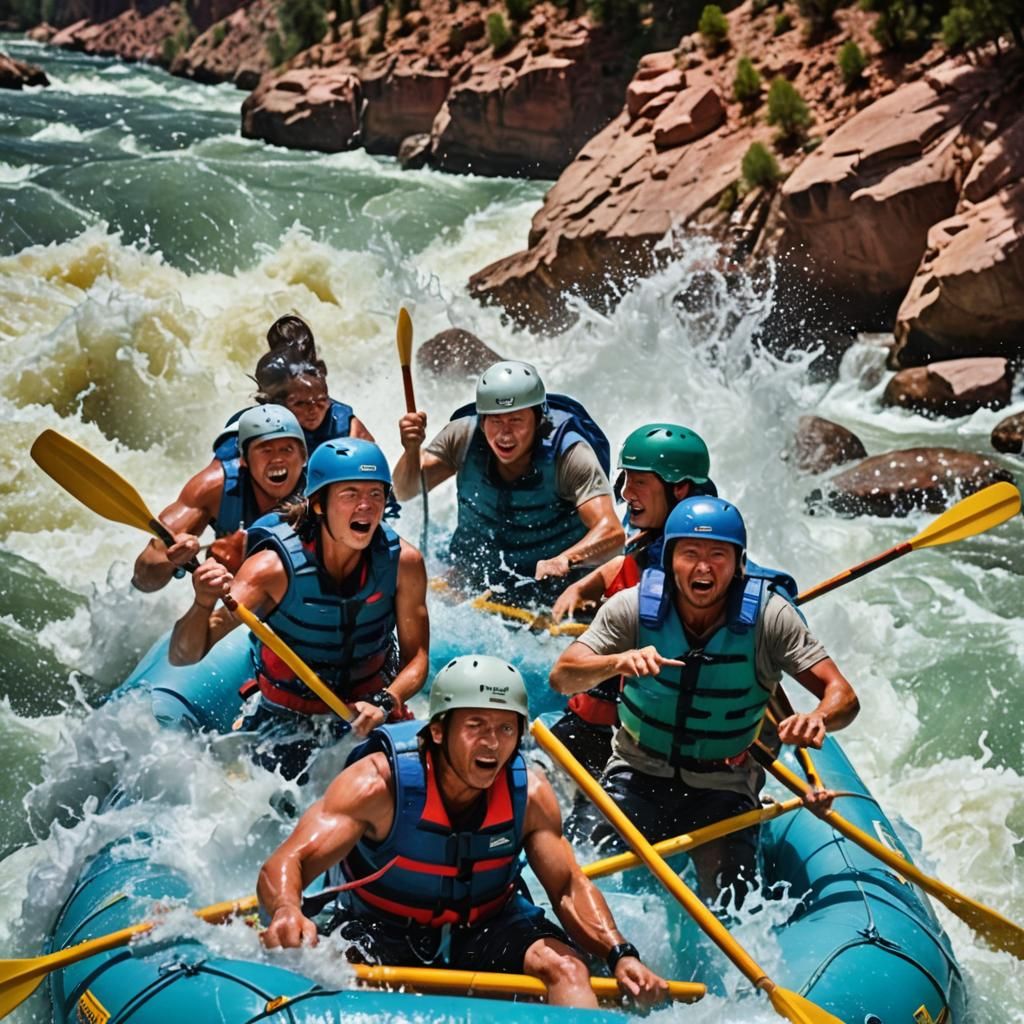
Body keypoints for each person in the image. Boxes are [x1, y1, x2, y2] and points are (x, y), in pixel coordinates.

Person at [257, 655, 668, 1010]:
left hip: (488, 922)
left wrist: (619, 953)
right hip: (380, 924)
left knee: (567, 967)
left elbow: (566, 886)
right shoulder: (377, 786)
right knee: (333, 962)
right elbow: (287, 861)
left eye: (507, 729)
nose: (492, 743)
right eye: (476, 725)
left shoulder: (533, 794)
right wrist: (287, 910)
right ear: (438, 730)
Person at [549, 497, 860, 905]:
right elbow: (562, 676)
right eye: (690, 553)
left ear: (738, 564)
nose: (703, 567)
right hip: (637, 771)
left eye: (718, 555)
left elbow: (844, 696)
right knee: (595, 882)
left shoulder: (770, 618)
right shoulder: (632, 607)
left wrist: (820, 716)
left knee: (730, 901)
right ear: (670, 558)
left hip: (723, 784)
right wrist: (617, 661)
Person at [168, 438, 429, 781]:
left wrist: (386, 701)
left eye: (375, 494)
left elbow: (418, 659)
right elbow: (183, 655)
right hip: (285, 721)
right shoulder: (270, 570)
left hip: (370, 712)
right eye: (350, 494)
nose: (366, 506)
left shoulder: (404, 564)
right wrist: (203, 602)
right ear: (318, 504)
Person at [548, 424, 717, 777]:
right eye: (626, 480)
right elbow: (621, 568)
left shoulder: (710, 566)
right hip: (595, 731)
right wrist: (582, 590)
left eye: (639, 482)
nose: (626, 494)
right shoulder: (647, 546)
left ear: (680, 488)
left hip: (652, 743)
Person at [393, 360, 624, 605]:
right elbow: (405, 491)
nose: (504, 434)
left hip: (551, 584)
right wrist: (410, 450)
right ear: (482, 421)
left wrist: (566, 559)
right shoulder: (462, 436)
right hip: (475, 575)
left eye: (516, 421)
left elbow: (612, 531)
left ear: (538, 420)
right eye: (496, 421)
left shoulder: (570, 454)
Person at [132, 405, 307, 592]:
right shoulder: (212, 488)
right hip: (232, 572)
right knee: (222, 560)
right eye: (265, 450)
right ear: (244, 460)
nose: (277, 459)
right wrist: (171, 558)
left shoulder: (324, 490)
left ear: (303, 457)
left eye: (286, 450)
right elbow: (143, 581)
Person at [212, 314, 374, 463]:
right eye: (301, 404)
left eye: (321, 401)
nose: (313, 410)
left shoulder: (346, 425)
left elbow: (379, 481)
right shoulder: (247, 428)